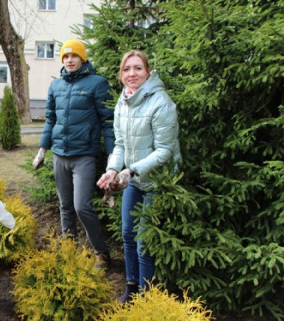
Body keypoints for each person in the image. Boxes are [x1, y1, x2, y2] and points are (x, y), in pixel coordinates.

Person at [96, 49, 181, 303]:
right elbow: (120, 144)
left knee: (144, 241)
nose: (132, 73)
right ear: (121, 75)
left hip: (158, 181)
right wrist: (112, 169)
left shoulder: (161, 102)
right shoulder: (123, 103)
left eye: (138, 68)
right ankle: (132, 287)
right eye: (126, 69)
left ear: (148, 72)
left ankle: (147, 297)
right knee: (127, 234)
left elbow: (165, 150)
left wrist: (131, 170)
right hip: (133, 178)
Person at [32, 39, 114, 269]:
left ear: (82, 58)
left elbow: (108, 121)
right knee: (65, 205)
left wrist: (111, 157)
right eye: (65, 57)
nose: (69, 60)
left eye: (74, 56)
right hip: (60, 155)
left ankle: (101, 252)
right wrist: (42, 150)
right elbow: (51, 120)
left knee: (81, 206)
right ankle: (70, 249)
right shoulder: (56, 86)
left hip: (84, 156)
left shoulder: (97, 83)